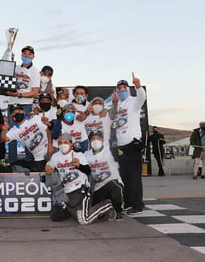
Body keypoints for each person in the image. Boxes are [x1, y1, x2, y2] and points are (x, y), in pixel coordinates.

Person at [44, 133, 116, 224]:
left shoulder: (78, 155)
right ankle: (73, 211)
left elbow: (88, 171)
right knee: (56, 216)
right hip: (66, 192)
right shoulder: (56, 156)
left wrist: (79, 165)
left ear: (71, 144)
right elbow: (48, 168)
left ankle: (107, 205)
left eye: (65, 142)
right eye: (60, 143)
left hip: (80, 190)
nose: (63, 145)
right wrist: (48, 168)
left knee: (84, 220)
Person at [113, 72, 146, 214]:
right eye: (119, 88)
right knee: (124, 176)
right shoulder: (116, 104)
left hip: (133, 143)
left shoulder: (133, 101)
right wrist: (114, 103)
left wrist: (138, 86)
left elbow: (142, 98)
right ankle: (127, 202)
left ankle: (138, 205)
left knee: (134, 177)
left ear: (128, 89)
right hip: (121, 145)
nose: (121, 90)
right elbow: (111, 120)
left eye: (124, 88)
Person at [5, 45, 40, 164]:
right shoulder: (16, 68)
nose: (26, 56)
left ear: (33, 56)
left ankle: (29, 160)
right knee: (12, 132)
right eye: (24, 53)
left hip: (25, 104)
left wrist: (20, 95)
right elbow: (6, 79)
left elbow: (34, 92)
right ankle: (12, 161)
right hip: (12, 103)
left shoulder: (35, 72)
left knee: (28, 132)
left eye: (29, 54)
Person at [84, 130, 124, 220]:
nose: (95, 140)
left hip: (112, 182)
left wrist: (117, 151)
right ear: (89, 141)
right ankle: (109, 207)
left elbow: (121, 154)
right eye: (93, 138)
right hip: (98, 187)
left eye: (98, 138)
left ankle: (118, 210)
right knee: (96, 213)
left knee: (116, 188)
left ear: (102, 140)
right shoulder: (86, 155)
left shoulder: (110, 150)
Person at [1, 104, 53, 172]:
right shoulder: (14, 131)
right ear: (11, 116)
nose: (18, 113)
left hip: (50, 150)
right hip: (38, 158)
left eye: (19, 111)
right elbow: (3, 139)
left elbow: (47, 130)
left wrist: (50, 146)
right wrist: (4, 130)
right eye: (15, 113)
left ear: (23, 112)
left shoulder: (35, 118)